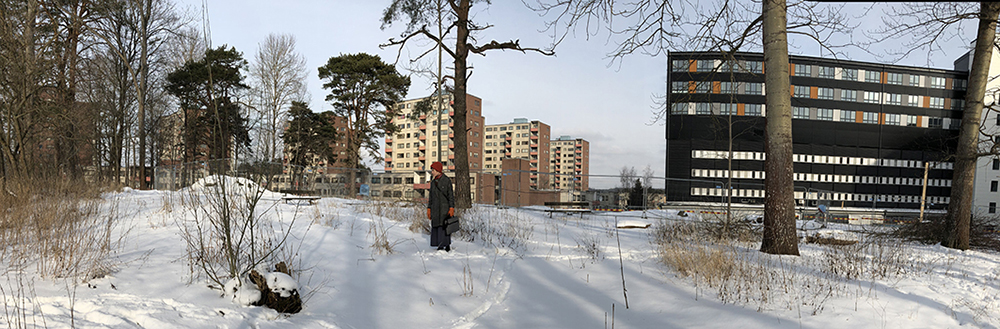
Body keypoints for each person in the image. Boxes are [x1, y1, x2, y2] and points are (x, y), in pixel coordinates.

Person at [427, 162, 455, 251]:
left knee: (444, 227)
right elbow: (431, 196)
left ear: (438, 171)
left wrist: (451, 207)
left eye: (433, 170)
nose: (432, 172)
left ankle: (445, 245)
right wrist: (429, 208)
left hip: (444, 208)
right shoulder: (433, 182)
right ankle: (439, 244)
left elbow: (450, 195)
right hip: (435, 209)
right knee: (436, 227)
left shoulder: (446, 180)